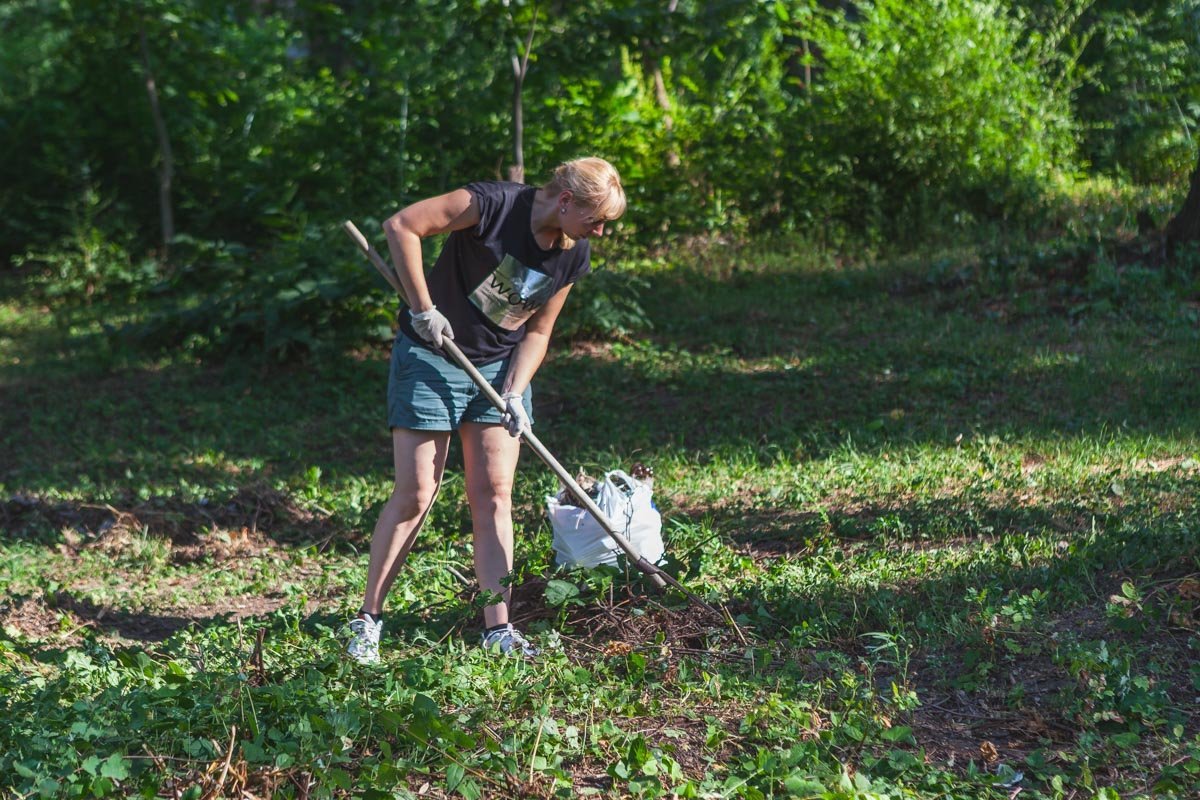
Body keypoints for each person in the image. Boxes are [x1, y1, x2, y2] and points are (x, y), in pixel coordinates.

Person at [346, 157, 627, 663]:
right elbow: (402, 226)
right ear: (566, 201)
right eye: (595, 219)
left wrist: (517, 391)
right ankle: (368, 620)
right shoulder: (493, 205)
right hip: (432, 357)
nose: (600, 232)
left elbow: (538, 332)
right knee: (416, 493)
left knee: (494, 494)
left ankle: (498, 628)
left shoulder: (571, 254)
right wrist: (422, 307)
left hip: (499, 371)